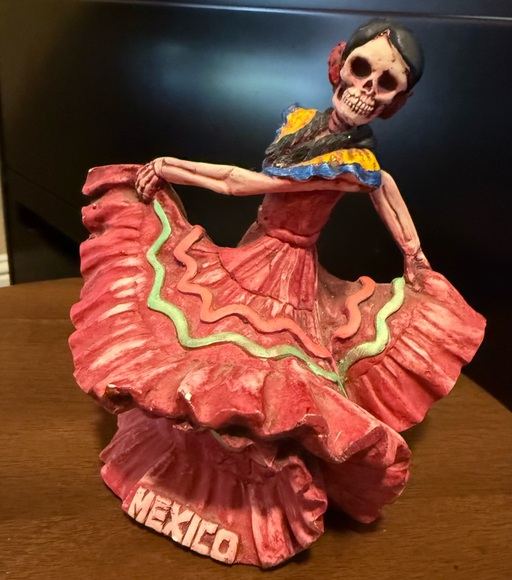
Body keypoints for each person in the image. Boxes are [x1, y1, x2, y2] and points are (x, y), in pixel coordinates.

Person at [70, 19, 485, 567]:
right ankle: (183, 459)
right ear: (339, 66)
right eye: (361, 69)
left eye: (386, 84)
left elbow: (243, 183)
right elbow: (385, 189)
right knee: (210, 352)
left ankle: (242, 492)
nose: (365, 90)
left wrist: (173, 167)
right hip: (255, 245)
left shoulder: (352, 163)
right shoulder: (304, 123)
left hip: (285, 271)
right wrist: (413, 251)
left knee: (260, 376)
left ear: (397, 102)